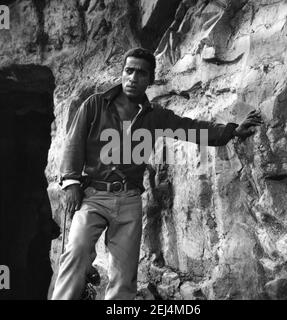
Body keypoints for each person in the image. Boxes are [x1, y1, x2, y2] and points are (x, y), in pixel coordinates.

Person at [51, 47, 262, 300]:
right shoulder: (96, 104)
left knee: (124, 274)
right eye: (128, 71)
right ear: (122, 73)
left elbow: (190, 128)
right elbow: (73, 143)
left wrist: (230, 131)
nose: (133, 78)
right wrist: (71, 183)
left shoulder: (155, 116)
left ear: (150, 79)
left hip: (129, 200)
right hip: (93, 195)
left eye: (141, 73)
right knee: (76, 250)